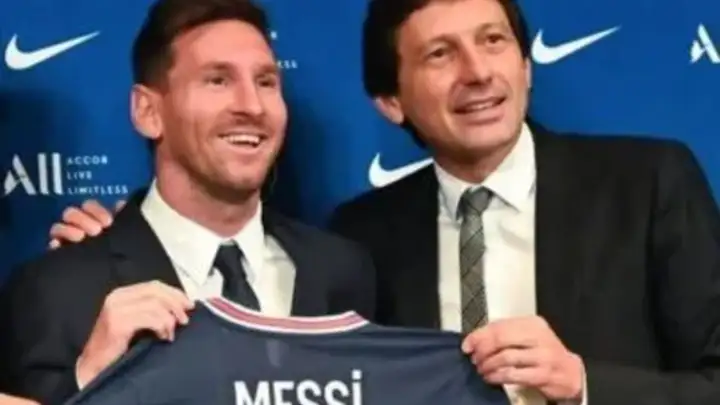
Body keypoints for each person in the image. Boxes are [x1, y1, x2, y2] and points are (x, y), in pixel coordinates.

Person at [42, 0, 720, 404]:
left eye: (493, 41)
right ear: (391, 101)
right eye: (440, 55)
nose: (477, 72)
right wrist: (120, 241)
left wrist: (584, 384)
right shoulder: (362, 239)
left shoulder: (649, 182)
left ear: (526, 64)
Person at [0, 0, 375, 403]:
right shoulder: (56, 290)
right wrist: (89, 381)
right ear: (148, 112)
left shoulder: (342, 271)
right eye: (217, 80)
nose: (252, 106)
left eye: (266, 82)